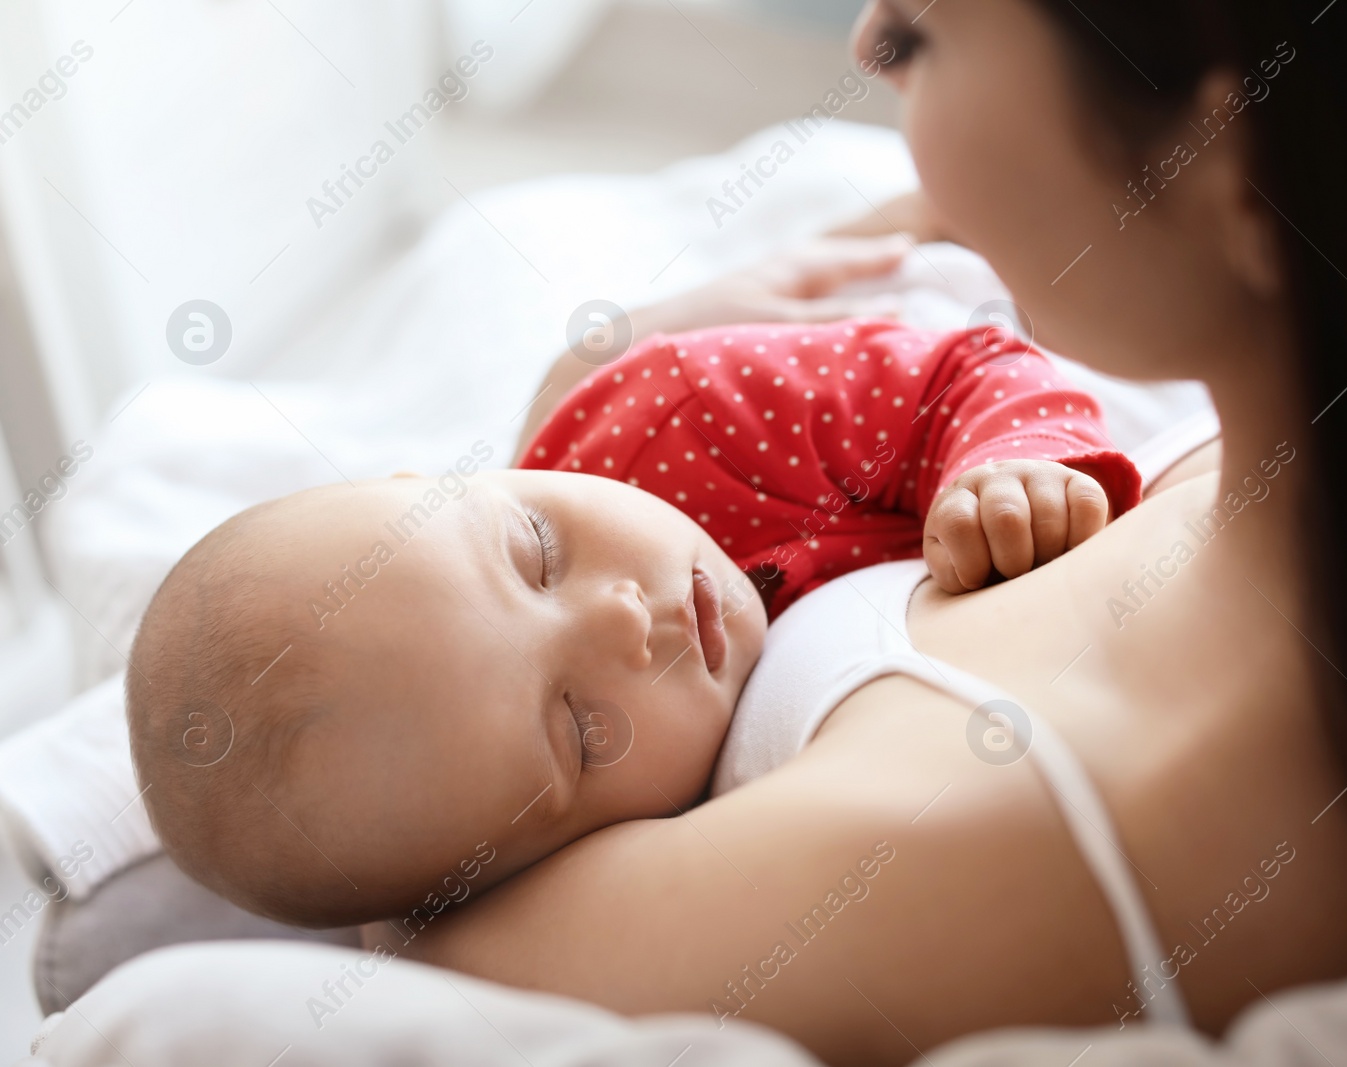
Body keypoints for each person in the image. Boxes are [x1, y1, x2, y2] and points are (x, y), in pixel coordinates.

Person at [370, 2, 1347, 1065]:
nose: (866, 44)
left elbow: (387, 881)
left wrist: (563, 424)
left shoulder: (953, 854)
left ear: (1241, 172)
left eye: (921, 32)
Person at [123, 307, 1139, 928]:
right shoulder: (639, 866)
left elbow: (955, 371)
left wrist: (1006, 470)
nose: (622, 619)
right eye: (574, 724)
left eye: (539, 553)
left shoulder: (672, 414)